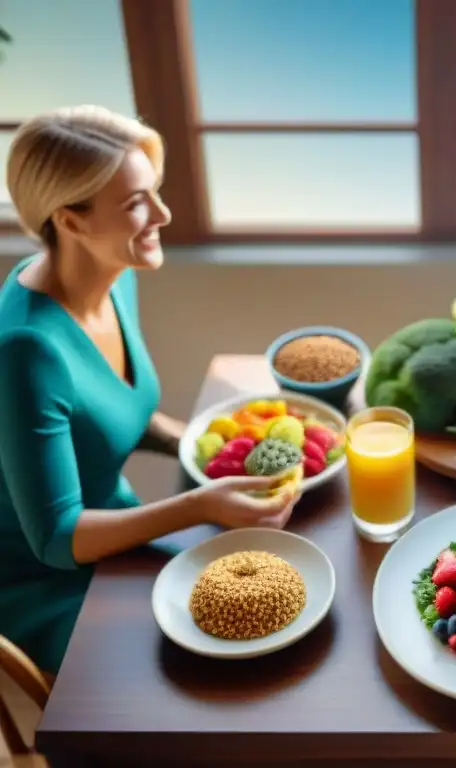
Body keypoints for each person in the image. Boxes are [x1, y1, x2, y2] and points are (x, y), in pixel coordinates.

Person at [0, 105, 301, 676]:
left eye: (154, 192)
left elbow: (109, 411)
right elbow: (57, 538)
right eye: (137, 202)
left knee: (263, 616)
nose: (162, 213)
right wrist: (199, 502)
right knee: (201, 677)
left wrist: (207, 445)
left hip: (117, 527)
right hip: (49, 581)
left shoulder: (112, 276)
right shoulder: (25, 349)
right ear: (71, 221)